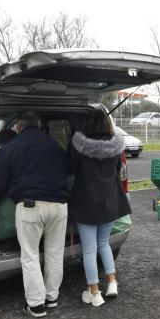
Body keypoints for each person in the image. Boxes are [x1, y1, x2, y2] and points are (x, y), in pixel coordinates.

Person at [0, 111, 69, 318]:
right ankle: (52, 298)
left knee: (31, 256)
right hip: (60, 206)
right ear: (40, 125)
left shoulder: (10, 148)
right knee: (54, 253)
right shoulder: (54, 146)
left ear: (18, 127)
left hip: (30, 206)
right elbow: (67, 170)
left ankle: (36, 305)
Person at [69, 110, 131, 307]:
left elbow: (68, 166)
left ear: (87, 124)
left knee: (89, 249)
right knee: (104, 243)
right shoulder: (116, 146)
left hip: (86, 203)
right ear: (107, 124)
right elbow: (117, 171)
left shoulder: (79, 146)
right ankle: (112, 283)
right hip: (110, 202)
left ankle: (94, 293)